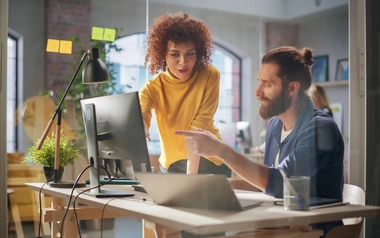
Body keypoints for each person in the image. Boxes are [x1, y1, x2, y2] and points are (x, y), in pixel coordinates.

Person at [175, 46, 344, 236]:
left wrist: (221, 150)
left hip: (313, 229)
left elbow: (281, 183)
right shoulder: (276, 125)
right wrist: (222, 186)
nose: (257, 92)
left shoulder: (321, 129)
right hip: (280, 223)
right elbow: (264, 183)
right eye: (259, 82)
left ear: (292, 88)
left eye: (267, 84)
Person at [139, 12, 231, 177]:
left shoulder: (209, 75)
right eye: (175, 54)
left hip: (208, 162)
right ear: (163, 55)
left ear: (198, 52)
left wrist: (191, 177)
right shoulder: (152, 88)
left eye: (190, 53)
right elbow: (141, 114)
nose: (183, 62)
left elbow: (198, 128)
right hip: (171, 165)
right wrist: (141, 127)